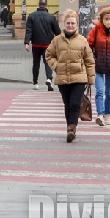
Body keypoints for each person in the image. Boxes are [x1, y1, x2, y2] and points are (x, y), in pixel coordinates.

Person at [45, 9, 95, 143]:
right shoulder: (56, 41)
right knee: (67, 104)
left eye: (73, 23)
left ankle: (72, 128)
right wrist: (56, 66)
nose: (70, 25)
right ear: (64, 24)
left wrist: (91, 79)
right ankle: (69, 127)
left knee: (74, 104)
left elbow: (89, 60)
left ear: (76, 25)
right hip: (62, 78)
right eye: (68, 23)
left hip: (79, 78)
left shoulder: (82, 41)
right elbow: (49, 55)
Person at [23, 0, 61, 91]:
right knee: (48, 62)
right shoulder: (51, 17)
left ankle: (35, 82)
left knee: (36, 63)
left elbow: (29, 30)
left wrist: (27, 42)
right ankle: (49, 79)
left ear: (38, 5)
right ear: (46, 5)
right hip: (48, 45)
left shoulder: (32, 16)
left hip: (36, 44)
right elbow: (57, 32)